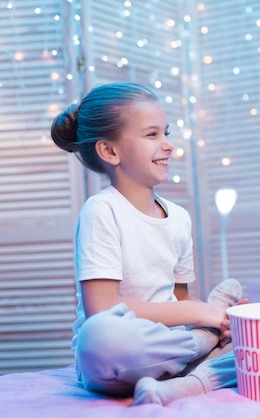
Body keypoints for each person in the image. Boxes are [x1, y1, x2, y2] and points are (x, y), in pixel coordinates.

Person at [51, 82, 245, 405]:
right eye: (152, 135)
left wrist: (221, 320)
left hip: (167, 349)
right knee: (99, 337)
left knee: (253, 341)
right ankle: (201, 346)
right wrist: (201, 314)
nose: (168, 145)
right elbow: (102, 308)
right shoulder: (102, 211)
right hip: (119, 354)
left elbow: (178, 298)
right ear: (110, 151)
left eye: (166, 133)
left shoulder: (179, 218)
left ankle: (182, 378)